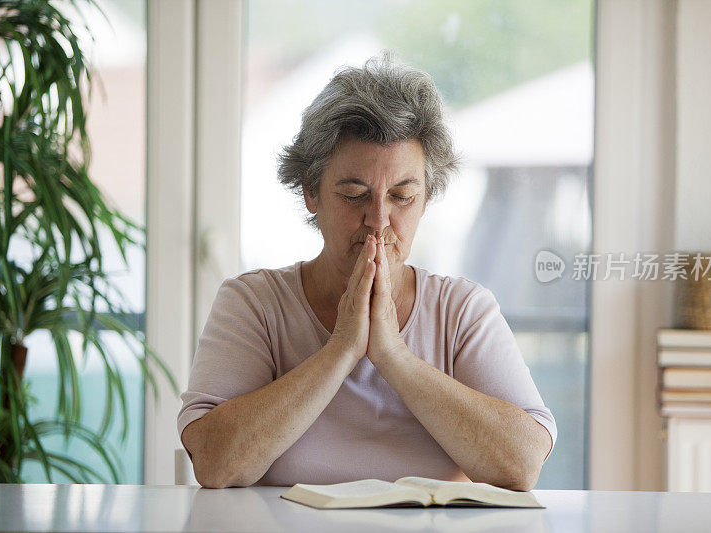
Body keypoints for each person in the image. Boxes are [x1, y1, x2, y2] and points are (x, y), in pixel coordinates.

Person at [177, 53, 556, 491]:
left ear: (426, 198)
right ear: (311, 193)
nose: (378, 219)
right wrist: (340, 349)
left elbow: (522, 464)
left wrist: (394, 356)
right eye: (355, 194)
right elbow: (215, 465)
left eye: (402, 196)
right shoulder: (254, 303)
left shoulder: (461, 310)